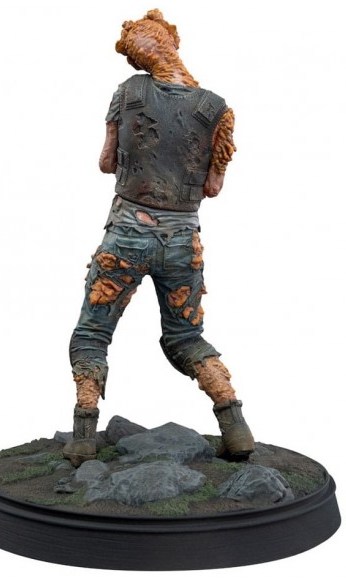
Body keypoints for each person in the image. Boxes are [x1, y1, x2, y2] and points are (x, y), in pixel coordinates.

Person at [63, 9, 255, 467]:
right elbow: (213, 188)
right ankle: (235, 425)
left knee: (92, 333)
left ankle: (84, 436)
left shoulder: (128, 93)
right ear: (172, 43)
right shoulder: (218, 110)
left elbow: (106, 163)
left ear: (138, 58)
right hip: (182, 241)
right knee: (186, 338)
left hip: (126, 235)